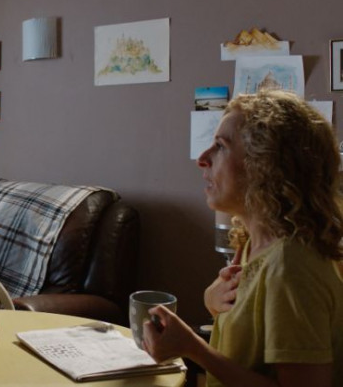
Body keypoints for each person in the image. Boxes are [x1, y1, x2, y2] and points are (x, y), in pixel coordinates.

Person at [142, 90, 343, 386]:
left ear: (265, 166)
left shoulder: (291, 265)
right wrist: (212, 301)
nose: (202, 159)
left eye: (220, 146)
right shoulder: (253, 243)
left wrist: (193, 348)